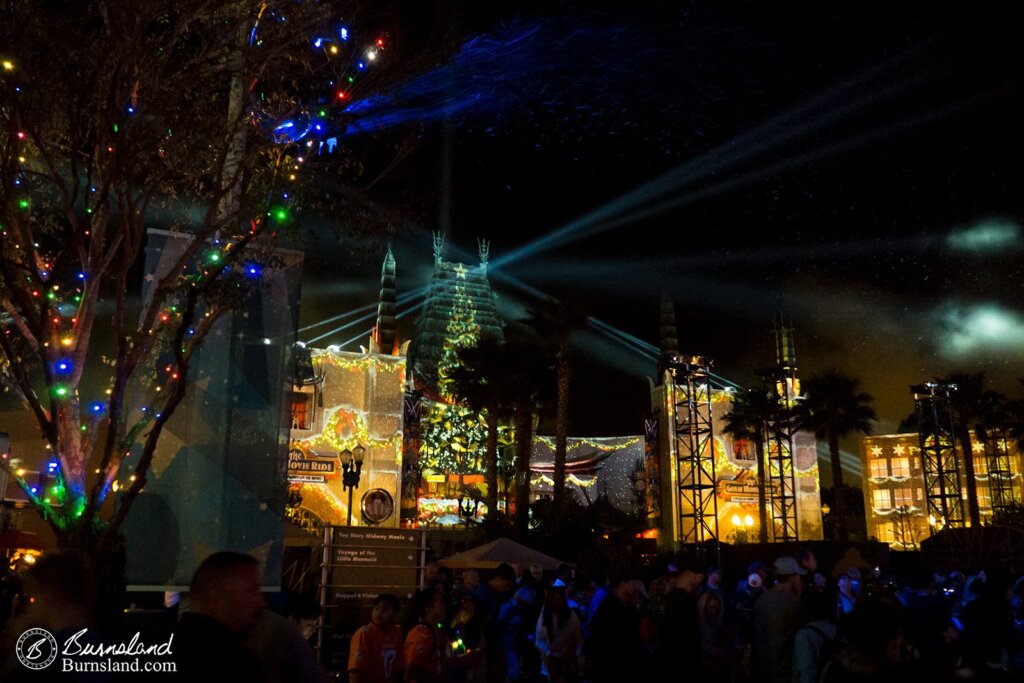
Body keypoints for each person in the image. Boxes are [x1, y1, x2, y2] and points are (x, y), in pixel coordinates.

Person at [175, 551, 267, 680]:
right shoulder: (235, 664)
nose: (261, 602)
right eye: (251, 591)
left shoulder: (158, 650)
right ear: (216, 598)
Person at [753, 556, 807, 683]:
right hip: (785, 672)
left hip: (764, 669)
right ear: (793, 577)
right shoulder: (793, 602)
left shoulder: (762, 599)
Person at [583, 574, 642, 683]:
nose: (635, 587)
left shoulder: (617, 606)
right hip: (612, 670)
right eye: (633, 583)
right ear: (623, 585)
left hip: (613, 668)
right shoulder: (611, 609)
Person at [349, 594, 404, 683]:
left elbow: (399, 668)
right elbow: (355, 672)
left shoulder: (397, 634)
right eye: (376, 608)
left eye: (385, 609)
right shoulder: (365, 634)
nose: (379, 612)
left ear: (395, 615)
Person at [535, 586, 583, 683]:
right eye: (554, 599)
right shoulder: (544, 616)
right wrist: (549, 653)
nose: (557, 603)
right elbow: (539, 639)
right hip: (549, 663)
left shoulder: (572, 617)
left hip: (566, 663)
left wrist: (574, 655)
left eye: (559, 599)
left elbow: (579, 640)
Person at [404, 589, 448, 683]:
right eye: (440, 603)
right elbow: (412, 668)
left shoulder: (437, 630)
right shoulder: (422, 634)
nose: (444, 606)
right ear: (428, 608)